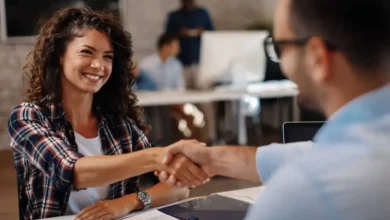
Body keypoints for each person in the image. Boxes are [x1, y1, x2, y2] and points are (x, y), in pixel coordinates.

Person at [158, 0, 390, 219]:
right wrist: (212, 159)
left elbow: (317, 168)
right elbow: (314, 153)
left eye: (280, 48)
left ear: (317, 57)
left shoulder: (302, 193)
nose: (281, 62)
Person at [7, 7, 209, 220]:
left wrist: (128, 202)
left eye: (107, 57)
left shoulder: (120, 126)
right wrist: (156, 157)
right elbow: (72, 172)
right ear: (59, 55)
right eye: (87, 52)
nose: (98, 65)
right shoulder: (27, 117)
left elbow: (178, 188)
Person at [165, 0, 214, 88]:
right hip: (181, 62)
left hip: (200, 61)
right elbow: (167, 38)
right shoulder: (174, 16)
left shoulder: (203, 14)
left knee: (203, 94)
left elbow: (213, 34)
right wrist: (180, 33)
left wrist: (203, 32)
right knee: (182, 94)